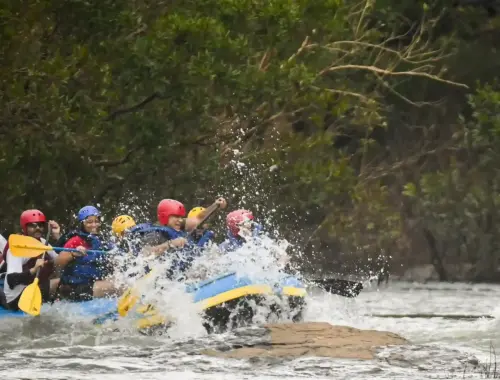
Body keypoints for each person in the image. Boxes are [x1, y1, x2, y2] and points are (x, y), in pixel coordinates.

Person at [56, 205, 119, 301]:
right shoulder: (75, 240)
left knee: (121, 280)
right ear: (82, 224)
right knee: (119, 286)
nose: (94, 225)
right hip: (76, 288)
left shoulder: (102, 241)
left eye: (96, 221)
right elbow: (57, 264)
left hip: (91, 284)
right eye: (89, 222)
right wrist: (72, 254)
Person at [2, 209, 62, 310]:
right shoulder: (17, 248)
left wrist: (58, 236)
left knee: (62, 282)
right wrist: (33, 269)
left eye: (40, 225)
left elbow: (60, 260)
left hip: (37, 289)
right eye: (32, 225)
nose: (37, 228)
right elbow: (11, 280)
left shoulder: (42, 242)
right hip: (17, 297)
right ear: (24, 227)